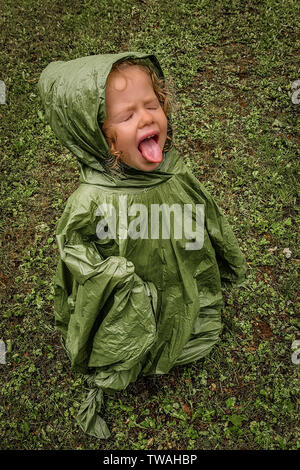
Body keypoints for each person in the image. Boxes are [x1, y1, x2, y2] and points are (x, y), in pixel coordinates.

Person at [38, 52, 247, 439]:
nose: (146, 118)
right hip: (130, 294)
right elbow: (73, 248)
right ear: (94, 133)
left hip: (178, 271)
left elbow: (205, 216)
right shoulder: (92, 199)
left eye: (152, 105)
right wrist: (106, 273)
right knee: (138, 318)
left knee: (177, 297)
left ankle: (178, 329)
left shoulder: (173, 171)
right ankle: (139, 349)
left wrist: (223, 257)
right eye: (127, 115)